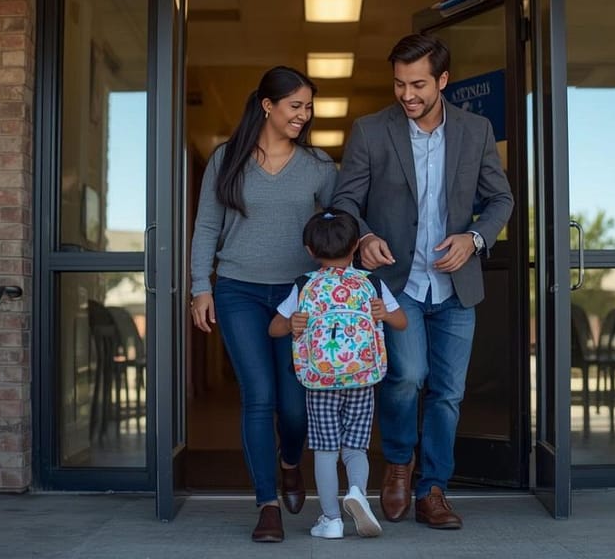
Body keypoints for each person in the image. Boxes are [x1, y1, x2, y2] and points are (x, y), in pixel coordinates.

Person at [331, 34, 515, 529]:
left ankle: (432, 488)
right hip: (398, 284)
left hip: (457, 286)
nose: (407, 95)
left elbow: (501, 200)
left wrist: (474, 239)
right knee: (407, 377)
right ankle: (398, 463)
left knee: (449, 392)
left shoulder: (476, 130)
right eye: (399, 84)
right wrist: (364, 236)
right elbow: (345, 201)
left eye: (418, 85)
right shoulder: (371, 131)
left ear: (443, 81)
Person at [189, 65, 337, 543]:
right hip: (239, 291)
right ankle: (266, 504)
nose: (303, 115)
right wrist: (200, 286)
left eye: (308, 107)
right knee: (258, 396)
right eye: (295, 105)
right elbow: (207, 226)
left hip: (298, 295)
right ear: (267, 105)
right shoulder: (227, 158)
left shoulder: (318, 164)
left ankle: (290, 461)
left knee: (294, 407)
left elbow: (341, 221)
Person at [268, 209, 407, 539]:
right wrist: (384, 314)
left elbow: (274, 329)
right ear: (357, 245)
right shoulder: (371, 283)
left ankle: (331, 519)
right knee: (356, 449)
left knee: (326, 452)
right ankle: (357, 492)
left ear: (309, 250)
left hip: (320, 382)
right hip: (362, 379)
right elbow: (402, 322)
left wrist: (291, 323)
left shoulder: (305, 285)